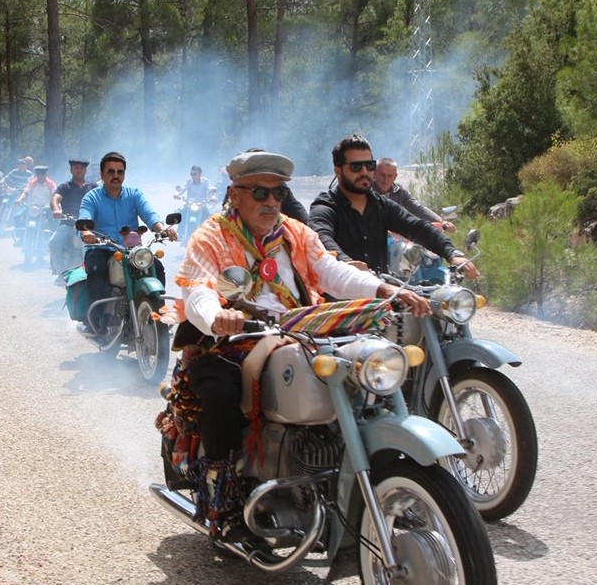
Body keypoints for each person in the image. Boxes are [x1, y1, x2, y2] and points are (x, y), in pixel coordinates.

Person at [166, 150, 432, 535]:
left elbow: (331, 272)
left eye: (277, 193)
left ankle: (379, 480)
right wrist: (217, 317)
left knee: (367, 375)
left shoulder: (294, 232)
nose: (271, 202)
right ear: (235, 194)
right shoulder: (212, 235)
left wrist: (383, 288)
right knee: (219, 393)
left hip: (302, 331)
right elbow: (199, 290)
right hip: (234, 340)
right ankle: (221, 498)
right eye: (259, 192)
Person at [309, 135, 478, 278]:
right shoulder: (325, 205)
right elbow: (321, 237)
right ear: (338, 171)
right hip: (342, 301)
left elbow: (416, 226)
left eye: (369, 165)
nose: (364, 172)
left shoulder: (380, 205)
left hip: (382, 296)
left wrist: (452, 254)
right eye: (355, 167)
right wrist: (344, 262)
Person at [77, 151, 177, 331]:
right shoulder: (91, 197)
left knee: (158, 267)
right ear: (101, 174)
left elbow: (150, 215)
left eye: (120, 172)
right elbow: (85, 217)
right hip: (102, 248)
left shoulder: (134, 194)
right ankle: (97, 321)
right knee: (96, 270)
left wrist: (163, 229)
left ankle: (157, 311)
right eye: (111, 171)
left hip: (131, 251)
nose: (116, 176)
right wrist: (86, 232)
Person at [373, 157, 454, 232]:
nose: (385, 179)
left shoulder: (399, 191)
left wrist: (440, 221)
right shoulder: (365, 192)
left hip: (395, 240)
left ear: (395, 176)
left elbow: (417, 208)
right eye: (382, 175)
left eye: (389, 176)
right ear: (374, 174)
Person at [49, 158, 97, 282]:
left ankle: (92, 275)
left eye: (81, 168)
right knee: (53, 242)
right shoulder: (65, 186)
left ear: (85, 170)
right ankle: (62, 274)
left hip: (88, 227)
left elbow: (101, 200)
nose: (79, 170)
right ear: (71, 170)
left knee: (92, 248)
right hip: (68, 225)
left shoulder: (93, 187)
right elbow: (55, 199)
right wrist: (56, 209)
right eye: (76, 167)